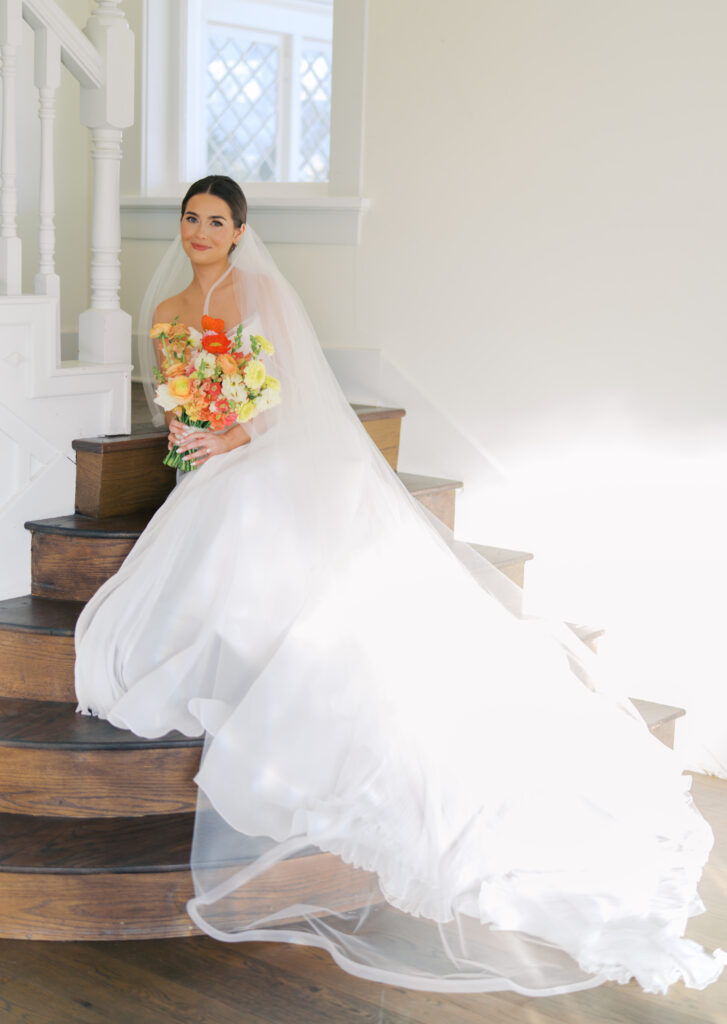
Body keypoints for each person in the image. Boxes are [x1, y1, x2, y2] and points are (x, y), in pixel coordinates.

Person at [75, 176, 725, 997]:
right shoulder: (169, 310)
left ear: (238, 231)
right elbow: (176, 390)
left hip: (267, 449)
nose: (199, 231)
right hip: (208, 457)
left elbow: (286, 392)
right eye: (190, 218)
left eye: (215, 220)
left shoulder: (260, 292)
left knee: (252, 510)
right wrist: (189, 427)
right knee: (204, 524)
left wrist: (234, 434)